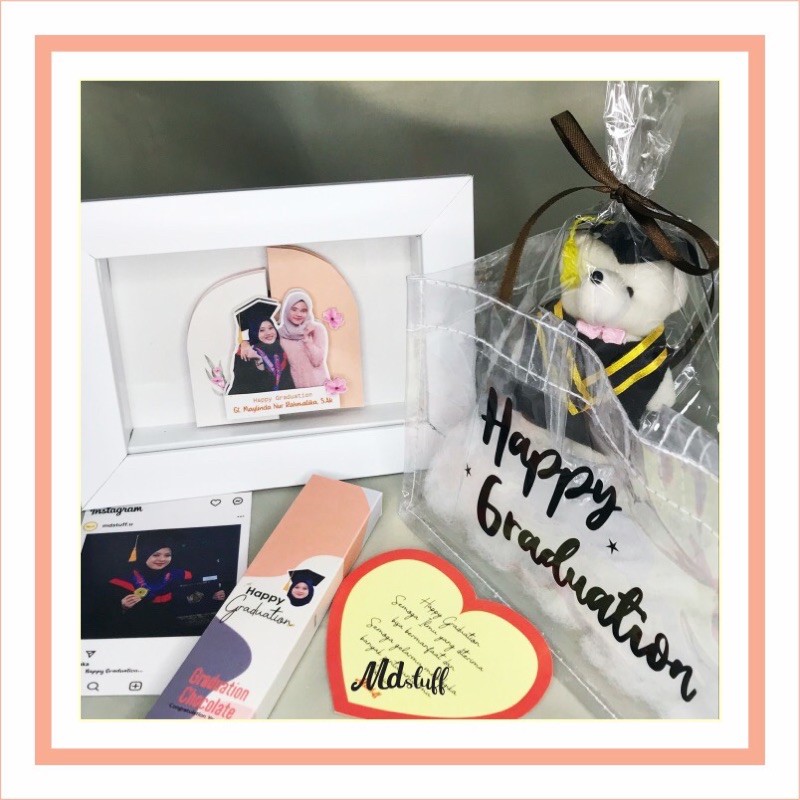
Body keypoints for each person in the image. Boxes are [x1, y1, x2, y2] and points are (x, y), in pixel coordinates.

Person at [108, 538, 225, 635]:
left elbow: (192, 597)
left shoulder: (180, 575)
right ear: (144, 555)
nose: (162, 559)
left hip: (174, 629)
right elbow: (106, 616)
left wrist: (212, 596)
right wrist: (122, 607)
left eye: (167, 555)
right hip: (138, 631)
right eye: (156, 555)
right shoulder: (122, 581)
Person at [275, 290, 329, 388]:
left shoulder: (316, 329)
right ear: (287, 310)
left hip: (319, 386)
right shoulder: (279, 334)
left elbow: (317, 362)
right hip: (295, 388)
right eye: (294, 309)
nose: (298, 314)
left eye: (303, 310)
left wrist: (309, 343)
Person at [230, 316, 295, 394]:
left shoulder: (283, 350)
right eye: (261, 330)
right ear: (255, 332)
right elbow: (247, 387)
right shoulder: (245, 353)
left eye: (271, 328)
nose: (268, 333)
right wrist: (258, 359)